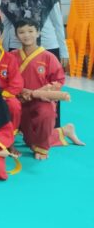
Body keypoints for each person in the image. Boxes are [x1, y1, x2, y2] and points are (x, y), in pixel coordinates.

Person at [10, 19, 84, 160]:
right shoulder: (12, 56)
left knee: (46, 113)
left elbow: (58, 81)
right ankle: (63, 131)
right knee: (30, 142)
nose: (26, 35)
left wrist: (38, 92)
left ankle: (43, 147)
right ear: (16, 35)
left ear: (38, 33)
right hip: (19, 100)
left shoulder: (48, 57)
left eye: (31, 31)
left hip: (41, 100)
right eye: (22, 32)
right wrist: (21, 92)